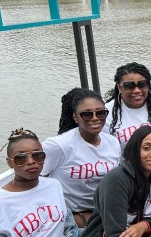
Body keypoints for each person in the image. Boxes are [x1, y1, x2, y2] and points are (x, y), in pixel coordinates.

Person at [42, 88, 121, 228]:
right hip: (72, 219)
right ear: (75, 117)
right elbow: (37, 180)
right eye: (87, 114)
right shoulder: (59, 146)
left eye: (101, 113)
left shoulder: (113, 142)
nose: (95, 118)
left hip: (104, 214)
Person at [105, 62, 151, 151]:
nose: (136, 90)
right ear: (119, 87)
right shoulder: (106, 113)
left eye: (142, 84)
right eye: (129, 86)